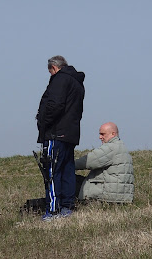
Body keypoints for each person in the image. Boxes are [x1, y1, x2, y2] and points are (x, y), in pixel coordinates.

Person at [36, 55, 85, 220]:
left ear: (54, 68)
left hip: (55, 132)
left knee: (51, 171)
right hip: (70, 133)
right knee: (67, 169)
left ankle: (53, 210)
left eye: (50, 72)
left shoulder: (59, 80)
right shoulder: (77, 83)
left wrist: (43, 122)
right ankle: (67, 207)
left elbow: (54, 105)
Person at [75, 122, 134, 203]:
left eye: (103, 134)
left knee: (69, 180)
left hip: (107, 197)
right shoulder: (122, 147)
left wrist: (68, 165)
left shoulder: (111, 148)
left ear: (113, 134)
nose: (100, 137)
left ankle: (64, 207)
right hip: (121, 197)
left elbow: (88, 161)